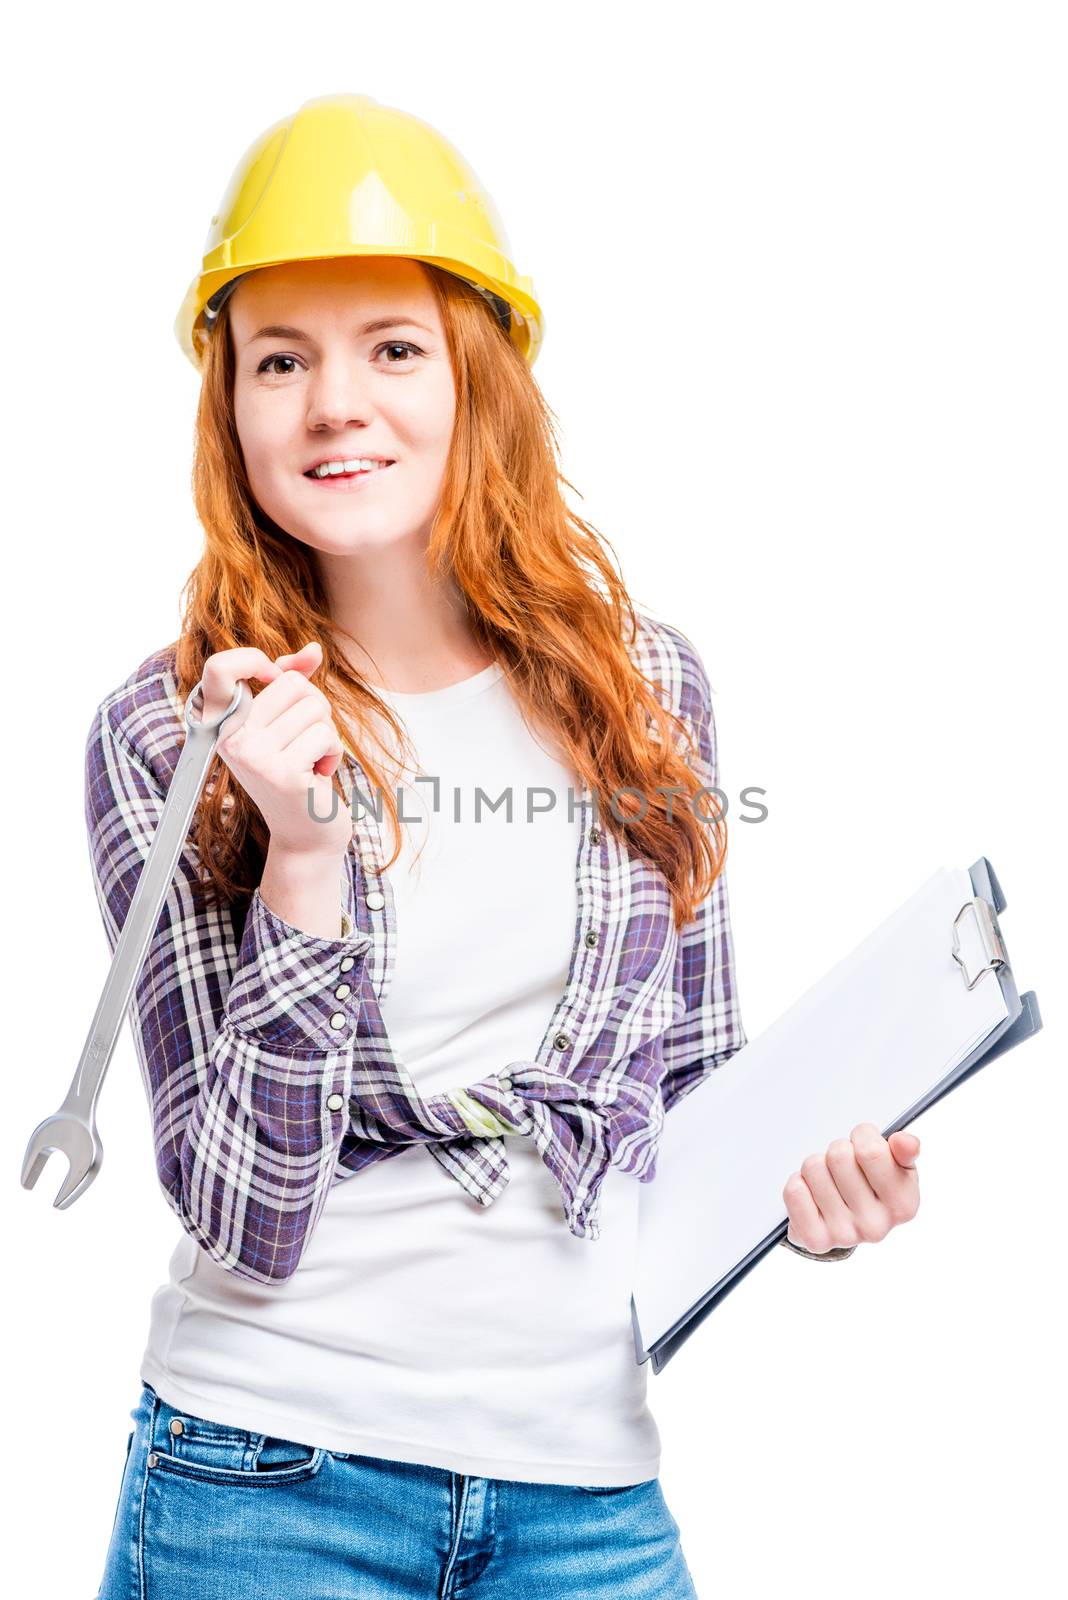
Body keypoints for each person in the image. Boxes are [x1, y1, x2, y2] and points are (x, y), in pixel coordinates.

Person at [89, 94, 921, 1600]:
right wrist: (301, 862)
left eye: (393, 348)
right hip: (268, 1487)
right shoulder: (172, 732)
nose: (336, 403)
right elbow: (239, 1214)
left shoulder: (646, 688)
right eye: (283, 360)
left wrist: (813, 1202)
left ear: (480, 379)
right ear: (231, 408)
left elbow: (690, 1100)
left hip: (584, 1493)